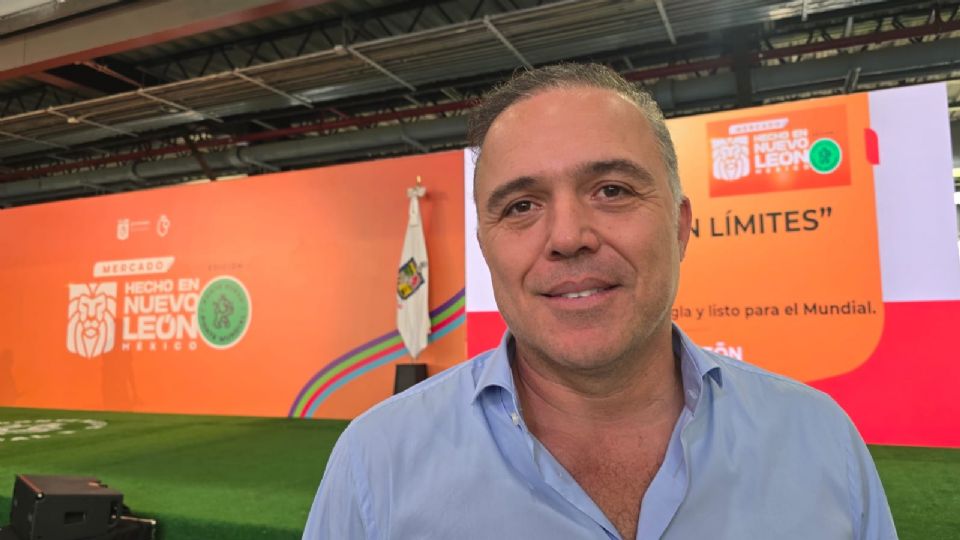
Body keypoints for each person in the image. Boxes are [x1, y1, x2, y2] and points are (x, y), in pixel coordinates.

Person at [302, 63, 897, 540]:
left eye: (612, 190)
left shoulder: (820, 441)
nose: (567, 237)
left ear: (680, 227)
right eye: (521, 206)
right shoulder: (374, 466)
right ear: (486, 247)